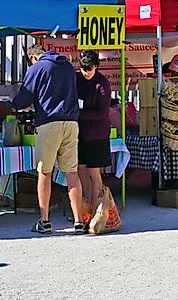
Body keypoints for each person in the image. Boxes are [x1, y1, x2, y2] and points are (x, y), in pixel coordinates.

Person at [13, 44, 84, 234]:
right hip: (71, 122)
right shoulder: (68, 66)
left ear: (33, 58)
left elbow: (24, 99)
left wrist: (13, 104)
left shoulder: (37, 68)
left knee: (45, 172)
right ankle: (78, 220)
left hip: (49, 123)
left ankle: (44, 221)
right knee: (72, 173)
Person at [74, 51, 112, 212]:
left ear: (96, 66)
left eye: (89, 69)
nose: (86, 72)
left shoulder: (102, 83)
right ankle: (84, 208)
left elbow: (102, 113)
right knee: (80, 170)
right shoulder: (76, 79)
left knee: (95, 173)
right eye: (83, 69)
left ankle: (97, 209)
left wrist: (78, 113)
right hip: (79, 132)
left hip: (97, 133)